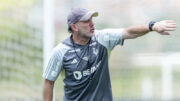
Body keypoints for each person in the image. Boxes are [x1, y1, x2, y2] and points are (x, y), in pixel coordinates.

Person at [42, 7, 176, 101]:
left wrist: (151, 26)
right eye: (86, 21)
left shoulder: (102, 38)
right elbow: (48, 82)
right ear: (74, 27)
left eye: (92, 19)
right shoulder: (60, 51)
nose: (91, 24)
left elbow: (128, 32)